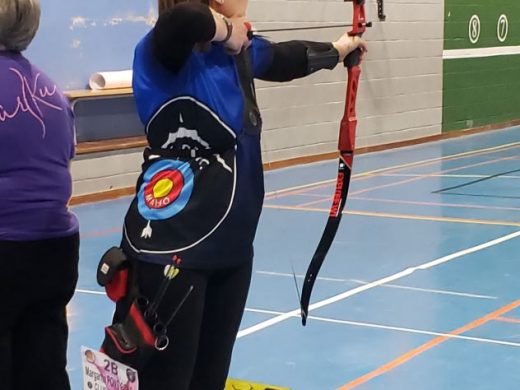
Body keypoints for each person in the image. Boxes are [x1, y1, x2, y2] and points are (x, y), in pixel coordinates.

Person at [111, 0, 367, 389]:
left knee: (209, 378)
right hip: (173, 245)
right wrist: (230, 33)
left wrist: (338, 49)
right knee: (165, 380)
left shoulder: (239, 51)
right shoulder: (163, 47)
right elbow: (187, 19)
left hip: (230, 248)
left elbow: (283, 59)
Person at [0, 1, 80, 389]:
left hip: (6, 243)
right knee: (44, 368)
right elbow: (63, 156)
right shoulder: (51, 89)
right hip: (56, 248)